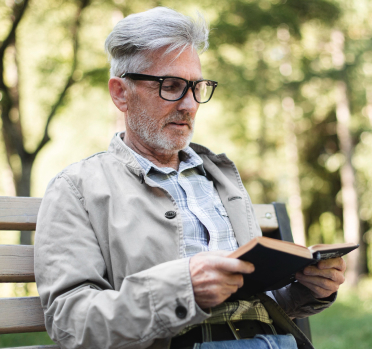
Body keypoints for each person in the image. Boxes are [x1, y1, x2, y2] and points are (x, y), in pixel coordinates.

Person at [34, 7, 346, 349]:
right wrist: (182, 290)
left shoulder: (220, 177)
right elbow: (70, 323)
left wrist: (309, 289)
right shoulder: (78, 188)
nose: (190, 105)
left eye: (197, 87)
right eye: (171, 87)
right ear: (121, 93)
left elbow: (252, 305)